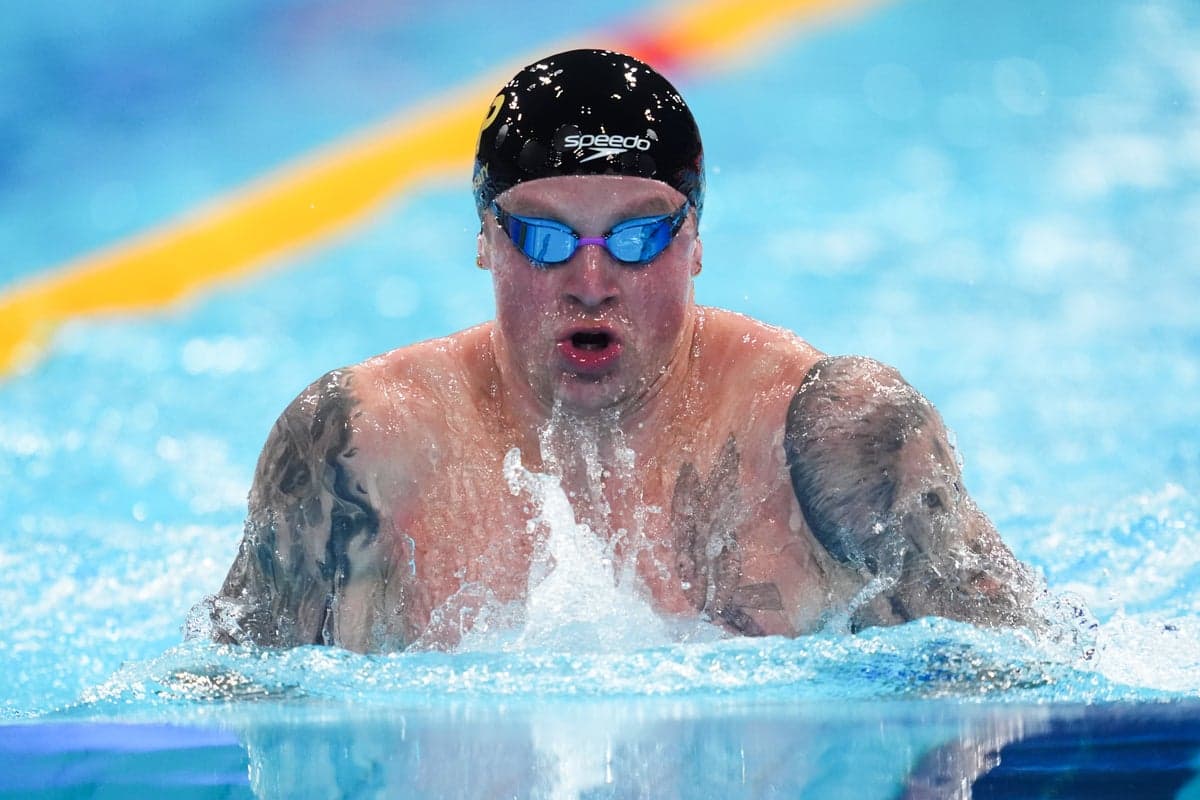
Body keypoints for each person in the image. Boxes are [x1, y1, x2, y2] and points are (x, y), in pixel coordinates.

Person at [198, 49, 1039, 651]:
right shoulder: (356, 451)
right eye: (544, 238)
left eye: (637, 237)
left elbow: (1030, 679)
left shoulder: (832, 438)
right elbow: (231, 705)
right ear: (486, 239)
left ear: (695, 240)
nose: (592, 281)